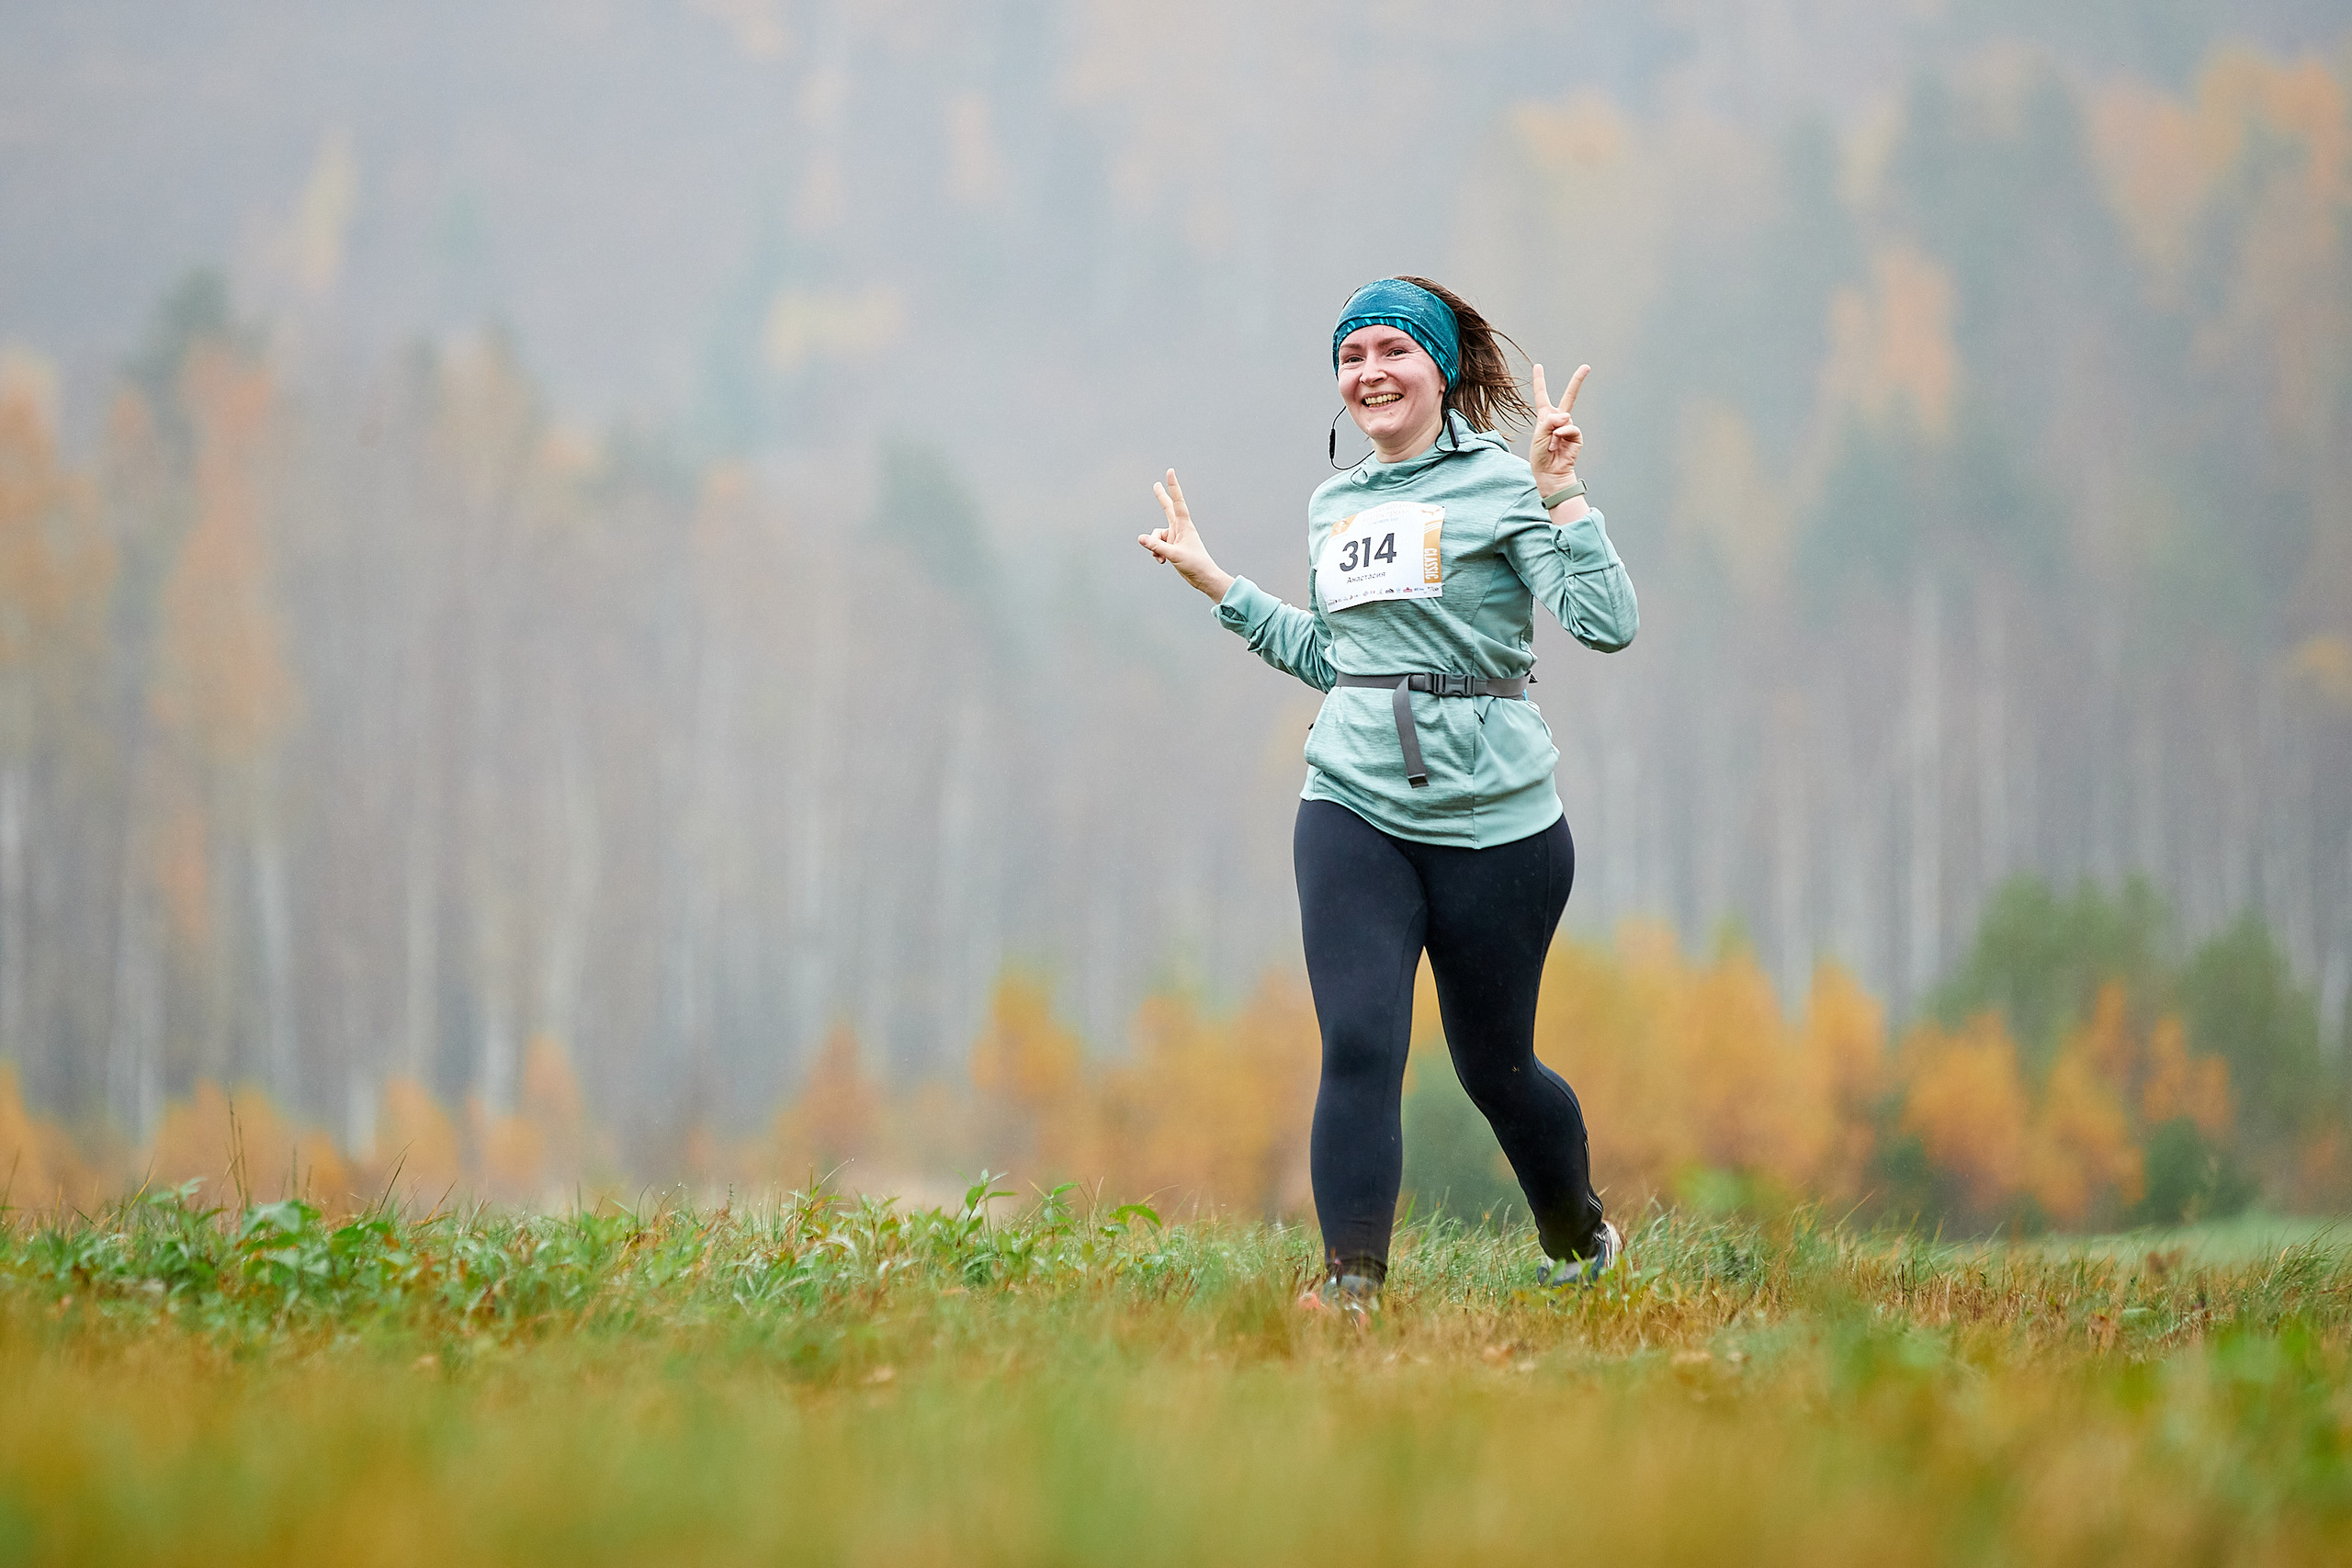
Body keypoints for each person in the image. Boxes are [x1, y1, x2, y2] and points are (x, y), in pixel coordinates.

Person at [1136, 276, 1638, 1318]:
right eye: (1351, 356)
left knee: (1496, 1069)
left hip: (1497, 819)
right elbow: (1338, 659)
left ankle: (1579, 1234)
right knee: (1361, 1039)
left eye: (1392, 351)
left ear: (1440, 370)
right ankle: (1351, 1284)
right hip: (1352, 802)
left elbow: (1604, 623)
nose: (1369, 373)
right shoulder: (1336, 505)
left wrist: (1562, 494)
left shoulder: (1504, 483)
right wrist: (1216, 582)